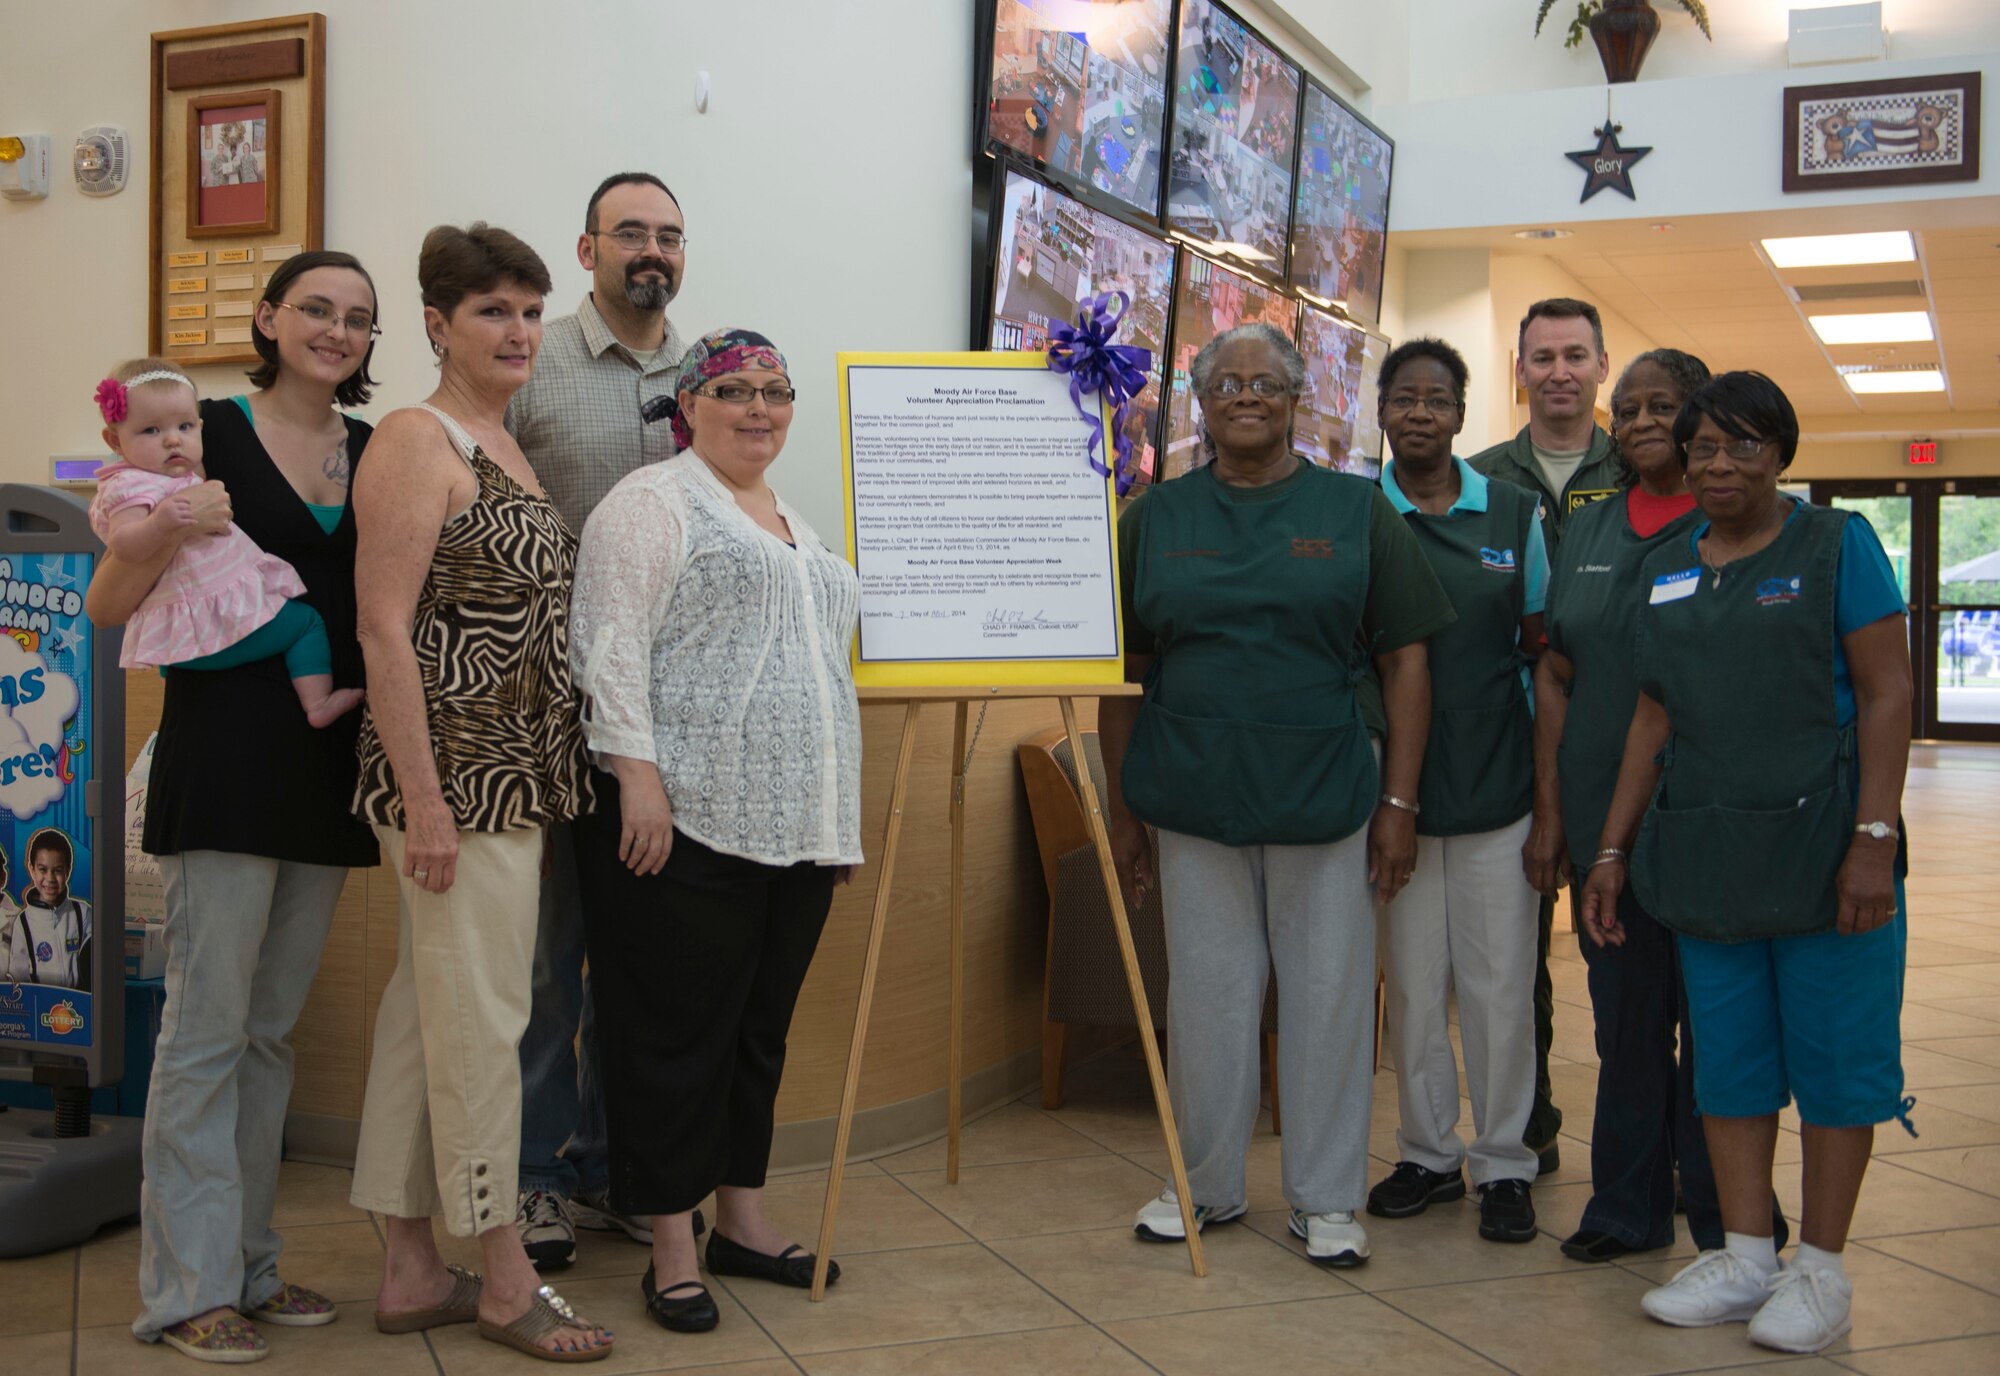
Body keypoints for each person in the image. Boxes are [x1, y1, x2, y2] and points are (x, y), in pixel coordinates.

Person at [1101, 322, 1453, 1268]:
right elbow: (1122, 671)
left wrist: (1401, 806)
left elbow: (1407, 659)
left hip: (1330, 789)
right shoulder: (1155, 519)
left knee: (1331, 998)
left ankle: (1327, 1198)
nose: (1245, 397)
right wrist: (1121, 807)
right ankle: (1204, 1184)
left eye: (1265, 383)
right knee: (1209, 1000)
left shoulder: (1356, 511)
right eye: (1226, 385)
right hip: (1192, 791)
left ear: (1298, 399)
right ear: (1201, 405)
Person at [85, 249, 383, 1363]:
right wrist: (167, 523)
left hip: (323, 766)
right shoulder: (190, 428)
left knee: (267, 1033)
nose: (335, 330)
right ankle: (185, 1291)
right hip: (221, 766)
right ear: (267, 317)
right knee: (205, 1034)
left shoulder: (372, 445)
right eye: (314, 308)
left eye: (357, 317)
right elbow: (112, 599)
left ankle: (249, 1266)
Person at [1581, 372, 1913, 1355]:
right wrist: (1611, 845)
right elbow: (1652, 711)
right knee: (1726, 1065)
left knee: (1835, 1062)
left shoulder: (1835, 543)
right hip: (1706, 854)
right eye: (1703, 448)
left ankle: (1820, 1269)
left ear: (1780, 453)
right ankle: (1745, 1255)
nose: (1718, 465)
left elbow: (1888, 691)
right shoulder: (1672, 565)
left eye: (1743, 446)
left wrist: (1872, 838)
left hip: (1822, 855)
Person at [346, 223, 608, 1363]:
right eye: (492, 309)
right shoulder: (417, 436)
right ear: (437, 323)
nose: (517, 330)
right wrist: (428, 797)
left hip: (511, 783)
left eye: (530, 309)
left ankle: (410, 1269)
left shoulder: (501, 442)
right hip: (451, 782)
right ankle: (504, 1277)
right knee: (484, 1029)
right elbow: (382, 627)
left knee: (428, 1019)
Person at [568, 328, 858, 1334]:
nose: (758, 407)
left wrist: (834, 818)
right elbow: (606, 647)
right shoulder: (651, 504)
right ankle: (671, 1245)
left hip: (793, 832)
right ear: (686, 404)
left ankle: (740, 1214)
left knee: (754, 1034)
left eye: (775, 390)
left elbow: (819, 673)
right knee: (668, 1039)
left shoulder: (789, 519)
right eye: (733, 388)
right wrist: (635, 778)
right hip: (679, 821)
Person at [1530, 348, 1792, 1266]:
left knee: (1720, 1027)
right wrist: (1556, 812)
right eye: (1629, 408)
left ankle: (1728, 1212)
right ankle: (1625, 1207)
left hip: (1707, 824)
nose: (1642, 422)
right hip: (1608, 828)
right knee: (1628, 1026)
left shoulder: (1731, 521)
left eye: (1663, 408)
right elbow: (1556, 673)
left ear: (1699, 420)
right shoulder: (1591, 530)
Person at [505, 170, 691, 1270]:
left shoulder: (714, 372)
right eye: (630, 233)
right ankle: (536, 1176)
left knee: (645, 965)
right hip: (548, 718)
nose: (650, 250)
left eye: (668, 234)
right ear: (586, 251)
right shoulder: (533, 367)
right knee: (546, 963)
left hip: (674, 729)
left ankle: (625, 1171)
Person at [1364, 338, 1547, 1244]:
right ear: (1383, 412)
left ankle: (1506, 1163)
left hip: (1495, 789)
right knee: (1414, 982)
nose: (1422, 413)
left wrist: (1551, 806)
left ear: (1462, 415)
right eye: (1405, 399)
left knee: (1500, 985)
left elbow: (1548, 658)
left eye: (1439, 399)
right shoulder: (1359, 512)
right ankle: (1427, 1154)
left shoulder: (1512, 514)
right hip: (1390, 798)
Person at [1470, 296, 1622, 1175]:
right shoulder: (1482, 480)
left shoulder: (1644, 469)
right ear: (1519, 372)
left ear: (1602, 365)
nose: (1559, 370)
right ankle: (1525, 1131)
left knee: (1626, 953)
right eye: (1542, 357)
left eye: (1575, 355)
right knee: (1513, 962)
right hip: (1511, 748)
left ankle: (1658, 1137)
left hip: (1619, 743)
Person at [86, 359, 364, 727]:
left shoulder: (366, 441)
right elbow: (123, 549)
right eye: (151, 430)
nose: (172, 439)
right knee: (306, 623)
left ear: (197, 427)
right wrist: (166, 524)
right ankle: (318, 702)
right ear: (114, 440)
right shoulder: (131, 486)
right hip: (210, 653)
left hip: (199, 633)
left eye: (184, 427)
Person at [1, 830, 91, 990]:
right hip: (42, 1007)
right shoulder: (23, 923)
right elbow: (18, 979)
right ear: (31, 869)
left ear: (68, 870)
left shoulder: (82, 913)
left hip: (79, 1005)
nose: (50, 879)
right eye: (42, 869)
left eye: (57, 870)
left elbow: (95, 963)